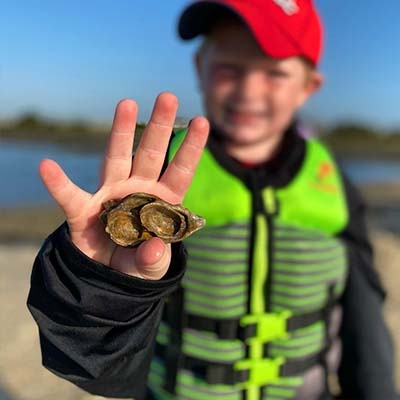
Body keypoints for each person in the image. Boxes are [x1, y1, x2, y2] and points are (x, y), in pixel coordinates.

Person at [27, 1, 399, 399]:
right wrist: (101, 287)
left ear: (308, 87)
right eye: (229, 68)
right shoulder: (152, 180)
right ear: (201, 68)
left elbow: (364, 321)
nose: (248, 90)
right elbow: (103, 371)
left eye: (275, 72)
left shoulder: (335, 185)